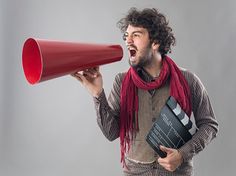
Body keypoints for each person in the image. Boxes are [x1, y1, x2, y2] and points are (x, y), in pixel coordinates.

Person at [72, 7, 219, 176]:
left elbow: (209, 125)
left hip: (177, 172)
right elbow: (111, 133)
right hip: (135, 172)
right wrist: (98, 94)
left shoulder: (188, 80)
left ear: (155, 42)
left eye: (136, 35)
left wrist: (182, 155)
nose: (128, 41)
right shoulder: (122, 81)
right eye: (126, 36)